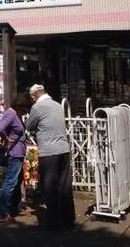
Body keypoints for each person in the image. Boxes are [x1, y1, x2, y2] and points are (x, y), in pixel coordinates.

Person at [24, 83, 75, 230]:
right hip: (64, 149)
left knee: (50, 186)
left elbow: (29, 125)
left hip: (49, 151)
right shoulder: (57, 105)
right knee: (64, 185)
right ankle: (68, 218)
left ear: (34, 96)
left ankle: (54, 222)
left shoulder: (37, 107)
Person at [0, 94, 29, 224]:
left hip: (18, 153)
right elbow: (0, 128)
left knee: (17, 181)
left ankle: (16, 208)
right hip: (14, 154)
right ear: (19, 106)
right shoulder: (11, 114)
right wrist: (6, 139)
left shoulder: (16, 114)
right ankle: (2, 213)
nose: (24, 112)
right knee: (10, 182)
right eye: (24, 109)